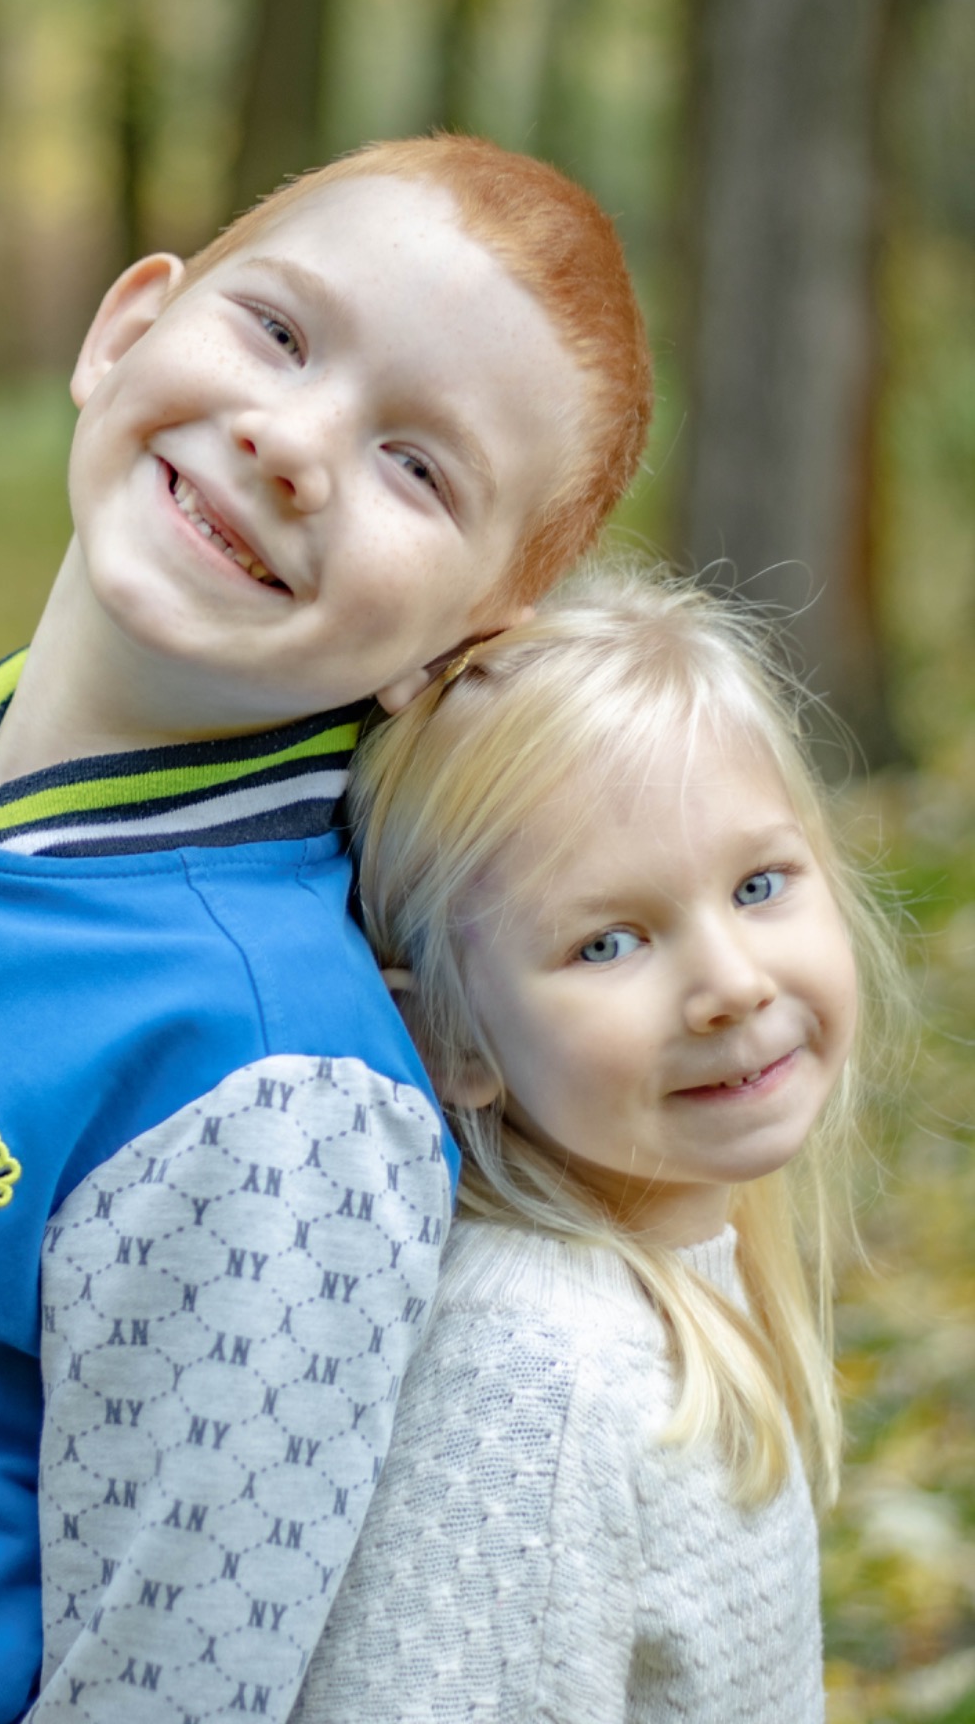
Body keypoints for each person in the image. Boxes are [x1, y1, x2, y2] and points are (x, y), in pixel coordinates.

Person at [0, 135, 653, 1724]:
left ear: (461, 642)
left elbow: (166, 1690)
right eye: (279, 332)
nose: (293, 441)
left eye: (417, 467)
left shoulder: (277, 1088)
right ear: (124, 331)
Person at [293, 568, 910, 1724]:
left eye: (760, 882)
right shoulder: (537, 1375)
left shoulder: (654, 1298)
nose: (732, 981)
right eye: (609, 941)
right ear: (447, 1035)